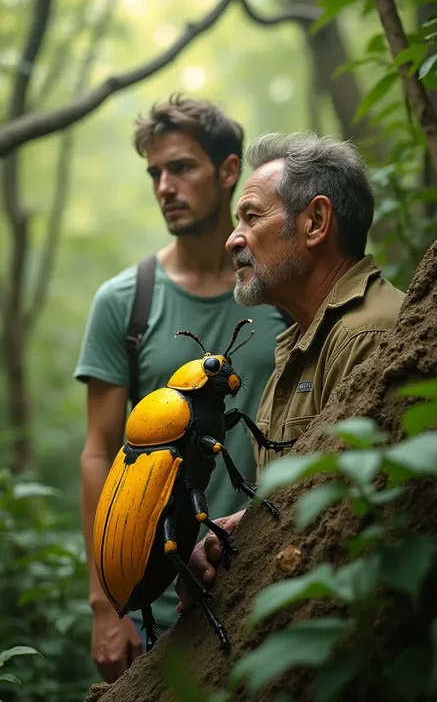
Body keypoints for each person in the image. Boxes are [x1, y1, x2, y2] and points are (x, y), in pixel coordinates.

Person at [74, 96, 289, 683]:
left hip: (271, 576)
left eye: (182, 168)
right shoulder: (125, 301)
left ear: (227, 171)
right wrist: (104, 606)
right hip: (157, 605)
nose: (164, 185)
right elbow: (99, 451)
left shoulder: (278, 289)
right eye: (155, 174)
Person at [176, 131, 405, 612]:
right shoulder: (300, 344)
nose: (232, 238)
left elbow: (358, 518)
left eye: (252, 217)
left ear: (316, 222)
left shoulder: (367, 337)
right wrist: (239, 527)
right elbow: (303, 497)